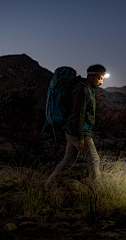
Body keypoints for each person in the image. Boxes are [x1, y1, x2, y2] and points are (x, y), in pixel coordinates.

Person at [44, 64, 107, 192]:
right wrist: (80, 137)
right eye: (99, 78)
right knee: (94, 159)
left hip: (75, 130)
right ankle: (98, 192)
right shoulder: (81, 90)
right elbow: (78, 115)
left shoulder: (87, 88)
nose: (101, 82)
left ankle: (48, 186)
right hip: (79, 132)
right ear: (90, 76)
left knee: (68, 161)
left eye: (102, 79)